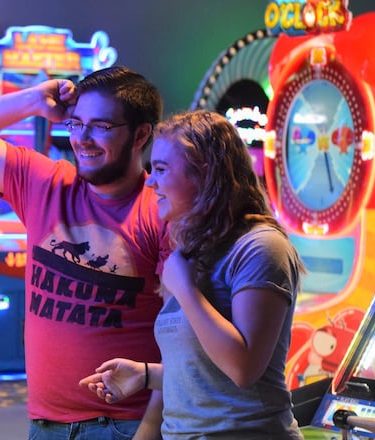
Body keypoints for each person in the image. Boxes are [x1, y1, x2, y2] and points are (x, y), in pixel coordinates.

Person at [0, 65, 168, 439]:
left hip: (124, 425)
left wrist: (150, 429)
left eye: (101, 127)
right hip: (44, 423)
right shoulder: (46, 184)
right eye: (76, 123)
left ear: (140, 134)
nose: (82, 139)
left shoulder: (161, 210)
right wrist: (32, 101)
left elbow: (183, 335)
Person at [79, 109, 305, 439]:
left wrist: (186, 290)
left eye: (161, 169)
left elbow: (243, 369)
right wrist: (145, 375)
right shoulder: (193, 253)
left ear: (205, 173)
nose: (150, 181)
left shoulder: (261, 247)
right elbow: (210, 375)